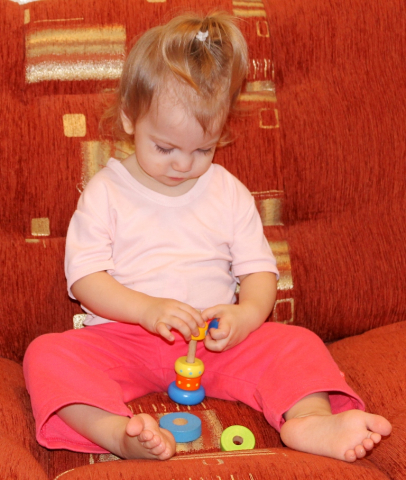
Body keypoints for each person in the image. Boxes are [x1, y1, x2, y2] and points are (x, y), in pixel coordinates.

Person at [23, 11, 391, 463]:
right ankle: (116, 433)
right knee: (46, 355)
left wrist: (246, 315)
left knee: (298, 344)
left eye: (203, 149)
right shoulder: (106, 191)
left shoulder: (228, 192)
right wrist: (147, 309)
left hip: (215, 342)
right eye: (165, 147)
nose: (183, 164)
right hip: (123, 339)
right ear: (130, 119)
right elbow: (85, 280)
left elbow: (259, 273)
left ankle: (310, 420)